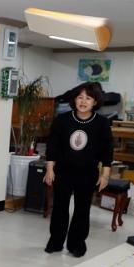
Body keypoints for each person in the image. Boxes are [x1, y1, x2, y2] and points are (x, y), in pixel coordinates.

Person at [44, 82, 113, 257]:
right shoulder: (62, 120)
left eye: (88, 98)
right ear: (74, 100)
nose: (83, 101)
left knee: (82, 209)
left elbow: (107, 151)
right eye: (80, 97)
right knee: (59, 207)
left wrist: (105, 175)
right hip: (63, 171)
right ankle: (55, 242)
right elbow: (52, 146)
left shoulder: (102, 123)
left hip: (87, 173)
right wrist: (50, 169)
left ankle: (77, 244)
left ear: (95, 102)